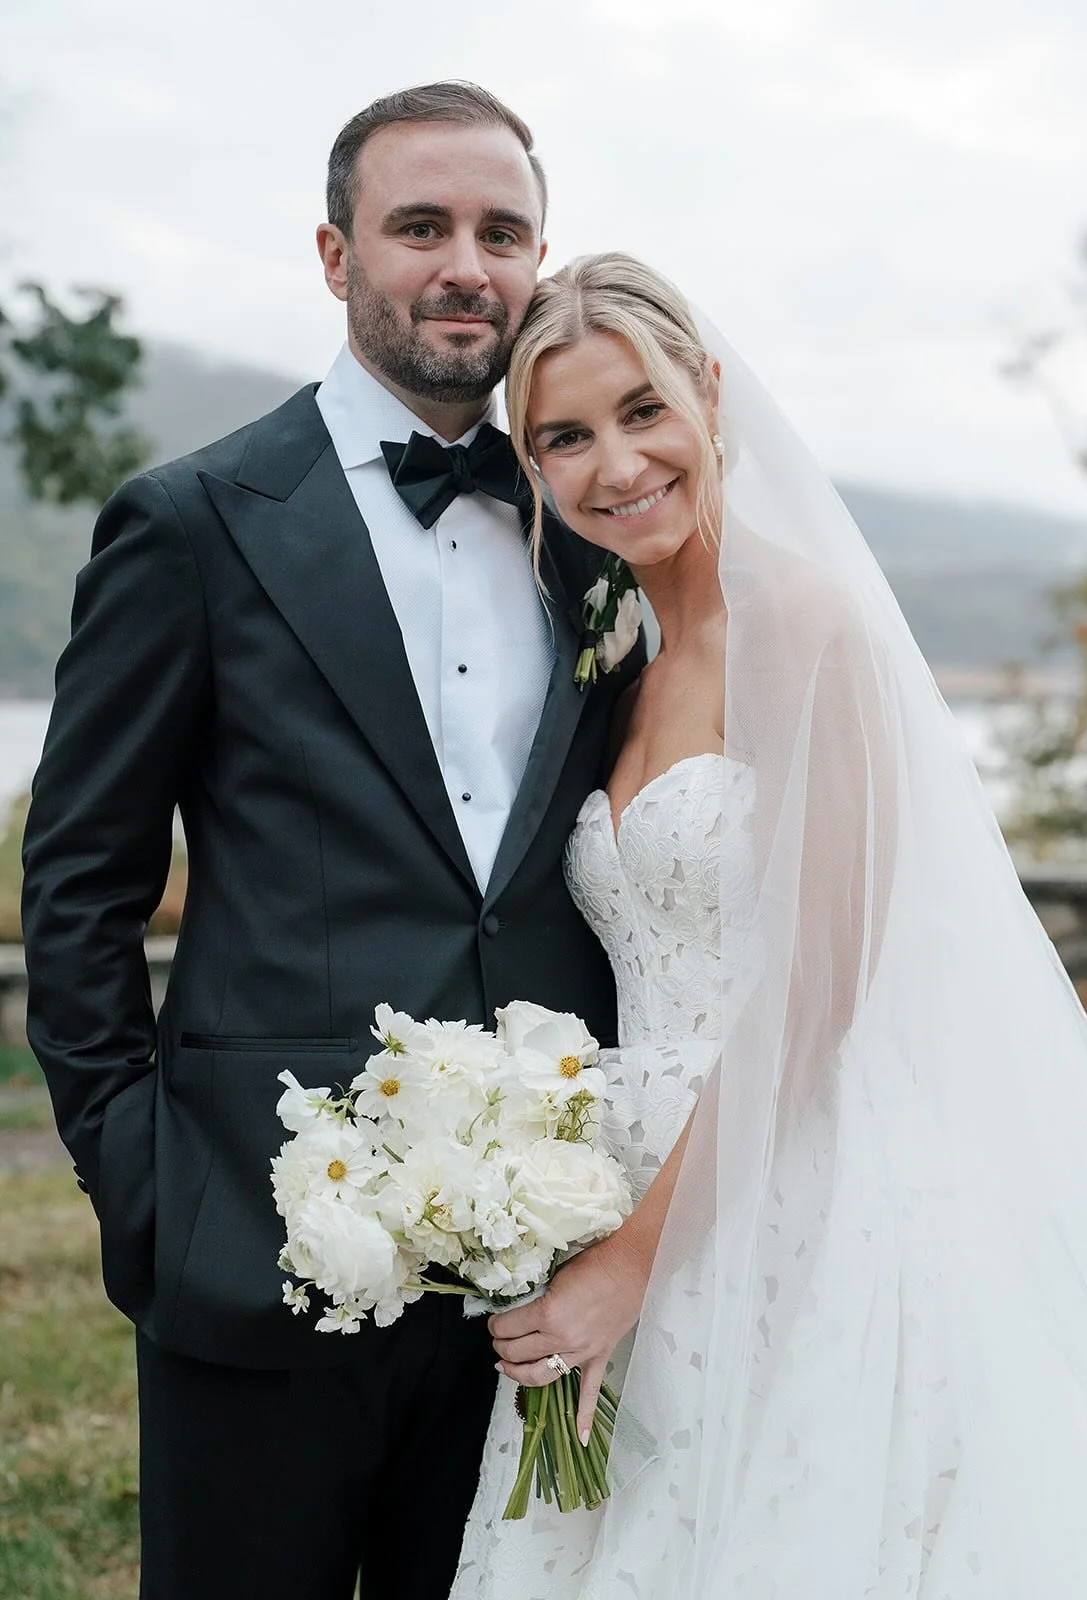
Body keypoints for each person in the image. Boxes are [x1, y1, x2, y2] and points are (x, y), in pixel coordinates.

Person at [450, 253, 1087, 1598]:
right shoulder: (620, 652)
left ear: (713, 395)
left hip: (801, 1166)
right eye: (564, 435)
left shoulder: (809, 623)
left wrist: (633, 1261)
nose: (614, 464)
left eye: (642, 411)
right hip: (634, 1161)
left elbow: (817, 980)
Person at [20, 87, 642, 1600]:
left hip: (543, 1265)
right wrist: (150, 1186)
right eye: (420, 225)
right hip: (261, 1238)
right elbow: (82, 884)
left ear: (537, 256)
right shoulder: (192, 522)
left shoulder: (597, 528)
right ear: (334, 252)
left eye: (501, 233)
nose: (464, 266)